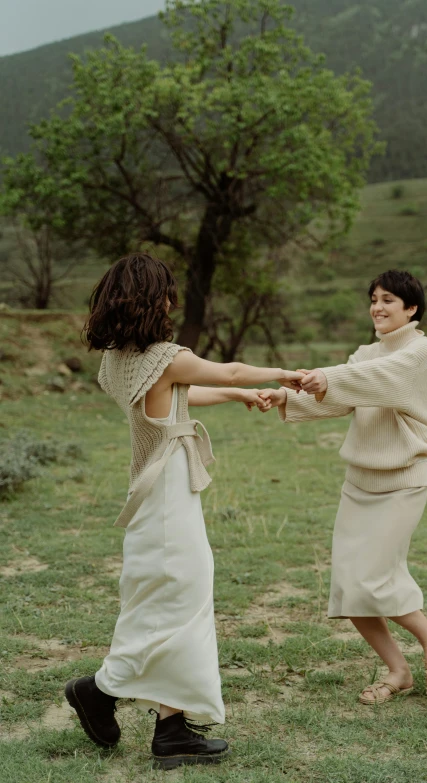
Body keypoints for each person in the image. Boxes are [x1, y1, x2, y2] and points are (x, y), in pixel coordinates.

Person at [65, 253, 304, 769]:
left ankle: (171, 726)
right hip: (169, 493)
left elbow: (180, 393)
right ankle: (101, 690)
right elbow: (227, 367)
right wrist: (285, 373)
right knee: (182, 598)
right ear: (154, 300)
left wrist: (241, 397)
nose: (173, 300)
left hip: (154, 490)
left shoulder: (118, 361)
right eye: (167, 292)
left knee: (166, 600)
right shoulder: (167, 356)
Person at [259, 270, 427, 704]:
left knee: (373, 577)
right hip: (359, 483)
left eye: (389, 300)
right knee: (350, 587)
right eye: (373, 299)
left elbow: (377, 379)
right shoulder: (366, 352)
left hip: (402, 482)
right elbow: (344, 396)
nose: (378, 307)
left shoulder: (418, 351)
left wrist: (326, 377)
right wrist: (288, 397)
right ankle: (397, 670)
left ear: (412, 309)